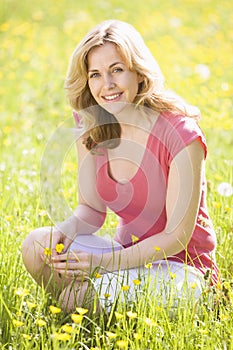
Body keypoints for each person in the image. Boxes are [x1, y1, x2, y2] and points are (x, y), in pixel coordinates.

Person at [22, 19, 218, 313]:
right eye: (96, 75)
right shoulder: (91, 123)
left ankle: (83, 306)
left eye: (117, 70)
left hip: (182, 268)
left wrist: (104, 263)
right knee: (38, 247)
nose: (107, 85)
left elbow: (176, 237)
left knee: (76, 300)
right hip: (124, 256)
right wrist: (67, 229)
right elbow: (90, 209)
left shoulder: (180, 133)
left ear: (139, 72)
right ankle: (85, 310)